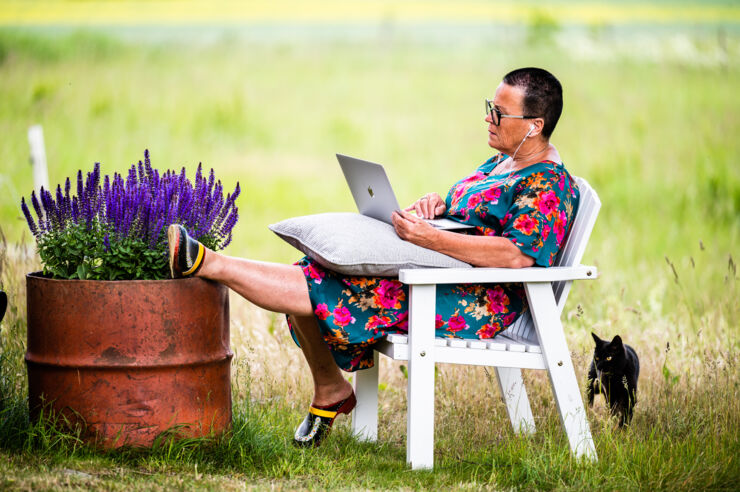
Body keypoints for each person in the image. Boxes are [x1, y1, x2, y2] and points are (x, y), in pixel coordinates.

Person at [167, 67, 580, 447]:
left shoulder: (547, 184)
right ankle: (330, 388)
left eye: (500, 113)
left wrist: (431, 241)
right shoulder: (502, 163)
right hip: (446, 277)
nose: (489, 118)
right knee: (313, 271)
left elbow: (517, 256)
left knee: (317, 284)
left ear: (534, 125)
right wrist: (439, 206)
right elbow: (477, 215)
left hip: (478, 300)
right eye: (490, 108)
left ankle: (210, 264)